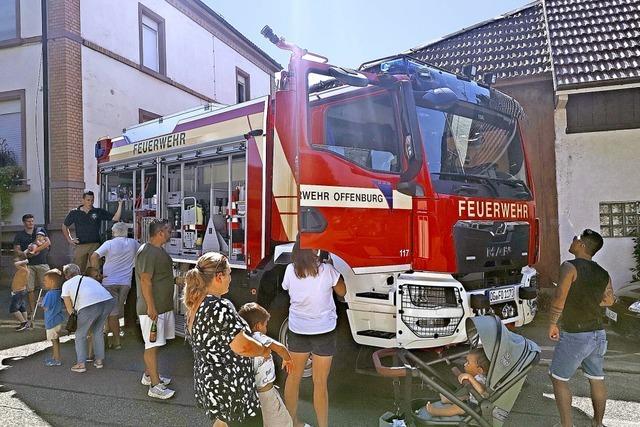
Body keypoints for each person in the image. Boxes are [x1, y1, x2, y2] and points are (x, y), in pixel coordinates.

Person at [184, 252, 268, 426]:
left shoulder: (196, 303)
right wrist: (263, 349)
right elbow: (243, 347)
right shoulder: (219, 307)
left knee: (222, 423)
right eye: (229, 274)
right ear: (219, 277)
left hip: (212, 383)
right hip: (231, 388)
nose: (231, 278)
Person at [548, 229, 615, 427]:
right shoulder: (603, 273)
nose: (572, 241)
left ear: (582, 245)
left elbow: (560, 296)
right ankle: (598, 423)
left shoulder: (569, 267)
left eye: (575, 239)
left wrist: (552, 322)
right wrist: (588, 300)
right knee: (596, 378)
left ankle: (567, 426)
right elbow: (609, 300)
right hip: (598, 333)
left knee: (558, 378)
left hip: (576, 334)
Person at [283, 239, 346, 427]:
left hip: (298, 330)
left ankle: (292, 422)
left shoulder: (290, 270)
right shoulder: (327, 270)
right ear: (313, 249)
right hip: (324, 331)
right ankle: (322, 425)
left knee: (293, 378)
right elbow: (342, 291)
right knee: (320, 383)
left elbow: (286, 288)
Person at [135, 219, 178, 400]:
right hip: (153, 309)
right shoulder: (148, 252)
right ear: (160, 232)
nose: (171, 233)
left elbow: (162, 277)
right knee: (151, 346)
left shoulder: (158, 251)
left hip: (162, 307)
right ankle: (154, 385)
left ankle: (149, 375)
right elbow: (146, 280)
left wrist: (178, 281)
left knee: (157, 344)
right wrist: (151, 307)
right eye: (168, 230)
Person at [238, 302, 294, 427]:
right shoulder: (259, 337)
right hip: (266, 392)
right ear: (258, 326)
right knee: (284, 423)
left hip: (249, 394)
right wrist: (287, 359)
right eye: (265, 325)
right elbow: (280, 348)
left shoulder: (242, 340)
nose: (266, 329)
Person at [90, 222, 139, 349]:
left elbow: (94, 256)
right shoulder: (133, 243)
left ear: (113, 233)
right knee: (114, 310)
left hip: (109, 281)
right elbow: (141, 253)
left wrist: (97, 274)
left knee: (111, 313)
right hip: (125, 283)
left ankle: (116, 341)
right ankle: (108, 335)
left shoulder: (109, 244)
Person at [61, 263, 114, 373]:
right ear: (79, 272)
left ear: (66, 275)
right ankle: (99, 361)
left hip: (89, 306)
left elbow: (69, 308)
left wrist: (75, 321)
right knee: (97, 331)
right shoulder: (89, 279)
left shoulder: (66, 284)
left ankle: (81, 364)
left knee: (80, 335)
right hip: (108, 301)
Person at [417, 348, 489, 419]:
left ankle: (436, 411)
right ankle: (449, 400)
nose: (464, 364)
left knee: (459, 408)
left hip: (479, 406)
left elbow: (482, 392)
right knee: (463, 398)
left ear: (479, 370)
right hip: (472, 399)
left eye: (468, 363)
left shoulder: (482, 379)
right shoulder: (477, 376)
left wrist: (470, 378)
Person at [62, 190, 122, 272]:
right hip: (80, 245)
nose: (90, 202)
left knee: (94, 271)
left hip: (95, 245)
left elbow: (116, 218)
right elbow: (64, 226)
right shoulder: (74, 212)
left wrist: (120, 204)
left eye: (92, 200)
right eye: (88, 200)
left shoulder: (97, 211)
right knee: (77, 271)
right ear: (83, 200)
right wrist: (69, 239)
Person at [13, 214, 51, 318]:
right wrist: (24, 253)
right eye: (29, 221)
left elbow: (47, 242)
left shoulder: (39, 230)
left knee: (48, 286)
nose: (31, 223)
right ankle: (32, 311)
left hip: (42, 262)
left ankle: (48, 308)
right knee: (30, 289)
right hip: (28, 265)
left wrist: (35, 251)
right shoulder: (20, 235)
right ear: (24, 222)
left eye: (32, 221)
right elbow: (16, 249)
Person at [42, 269, 65, 367]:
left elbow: (45, 307)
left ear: (52, 282)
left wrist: (40, 303)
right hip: (58, 319)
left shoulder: (49, 294)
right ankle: (55, 357)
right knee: (56, 339)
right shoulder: (59, 292)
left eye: (45, 281)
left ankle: (57, 359)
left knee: (54, 341)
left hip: (51, 321)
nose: (44, 283)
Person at [9, 253, 30, 331]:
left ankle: (23, 323)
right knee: (22, 308)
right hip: (20, 291)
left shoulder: (24, 269)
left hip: (19, 292)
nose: (14, 260)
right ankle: (26, 323)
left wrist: (25, 261)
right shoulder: (23, 269)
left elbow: (16, 263)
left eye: (16, 258)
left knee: (13, 309)